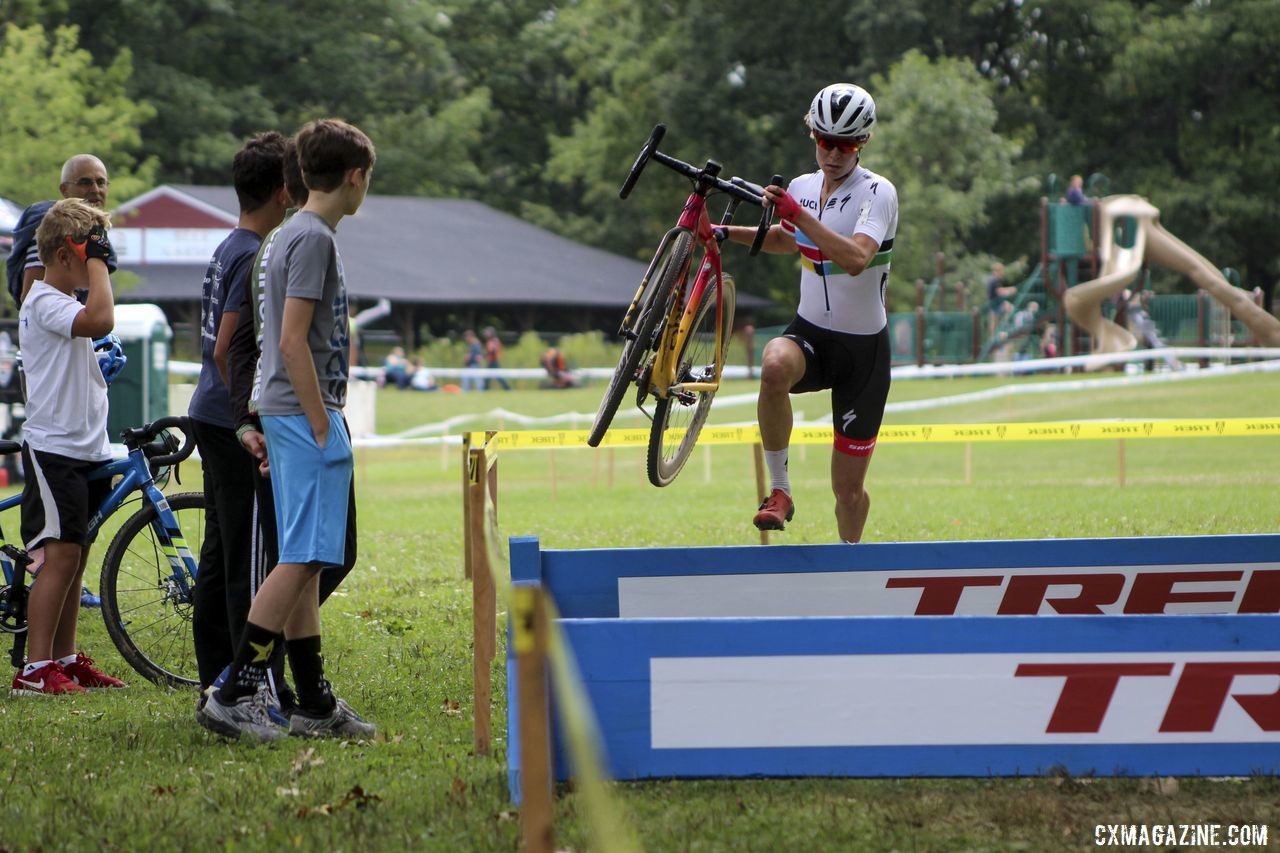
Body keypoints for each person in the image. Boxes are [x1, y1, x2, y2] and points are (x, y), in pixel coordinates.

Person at [197, 118, 376, 741]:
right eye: (366, 180)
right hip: (304, 415)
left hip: (283, 414)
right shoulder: (314, 239)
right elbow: (293, 342)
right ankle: (236, 689)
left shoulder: (284, 235)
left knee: (310, 555)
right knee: (301, 557)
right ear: (354, 177)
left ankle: (313, 702)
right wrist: (324, 424)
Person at [717, 83, 898, 543]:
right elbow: (785, 239)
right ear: (812, 136)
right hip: (812, 334)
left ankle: (850, 562)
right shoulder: (802, 187)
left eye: (846, 144)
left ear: (863, 143)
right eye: (824, 141)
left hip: (863, 354)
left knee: (848, 492)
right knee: (774, 365)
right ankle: (779, 490)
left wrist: (800, 217)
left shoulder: (877, 193)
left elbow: (856, 259)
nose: (833, 153)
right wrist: (722, 231)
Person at [11, 199, 126, 695]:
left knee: (74, 560)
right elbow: (102, 319)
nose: (98, 264)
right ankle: (34, 671)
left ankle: (64, 657)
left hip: (82, 449)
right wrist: (98, 262)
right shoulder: (43, 299)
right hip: (54, 449)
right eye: (89, 254)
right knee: (58, 562)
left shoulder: (63, 304)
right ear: (64, 256)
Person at [188, 132, 289, 693]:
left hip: (205, 406)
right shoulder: (253, 254)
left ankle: (215, 673)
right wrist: (248, 419)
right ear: (281, 191)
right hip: (229, 419)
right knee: (248, 556)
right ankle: (245, 682)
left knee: (221, 549)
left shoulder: (227, 245)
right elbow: (227, 347)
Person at [8, 155, 117, 309]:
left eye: (101, 182)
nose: (95, 189)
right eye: (85, 182)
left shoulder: (91, 230)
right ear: (64, 190)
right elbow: (32, 299)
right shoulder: (54, 227)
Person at [985, 262, 1016, 339]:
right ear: (997, 271)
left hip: (993, 303)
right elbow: (999, 291)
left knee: (994, 322)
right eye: (1001, 271)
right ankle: (1004, 328)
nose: (1002, 273)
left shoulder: (992, 279)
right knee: (1009, 308)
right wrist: (1010, 290)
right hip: (995, 303)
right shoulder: (994, 280)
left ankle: (994, 337)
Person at [482, 326, 511, 390]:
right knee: (488, 377)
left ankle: (508, 389)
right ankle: (485, 389)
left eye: (488, 332)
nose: (486, 334)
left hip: (494, 361)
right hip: (492, 361)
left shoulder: (494, 340)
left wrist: (484, 355)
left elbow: (492, 351)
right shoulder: (491, 340)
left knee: (497, 376)